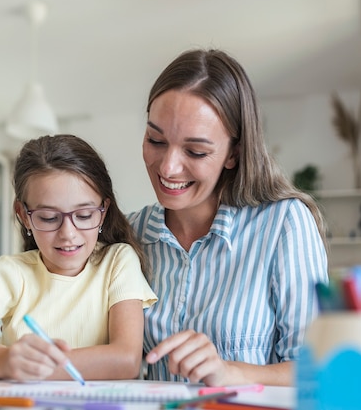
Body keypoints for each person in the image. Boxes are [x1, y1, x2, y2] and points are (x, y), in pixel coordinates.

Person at [128, 48, 328, 387]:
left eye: (196, 151)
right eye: (156, 140)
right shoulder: (128, 233)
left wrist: (230, 372)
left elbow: (319, 371)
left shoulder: (284, 225)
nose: (167, 167)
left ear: (233, 154)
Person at [0, 134, 157, 382]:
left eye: (84, 215)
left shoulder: (117, 261)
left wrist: (26, 369)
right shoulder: (11, 273)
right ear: (23, 216)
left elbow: (125, 361)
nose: (68, 234)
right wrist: (3, 362)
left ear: (103, 210)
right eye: (49, 218)